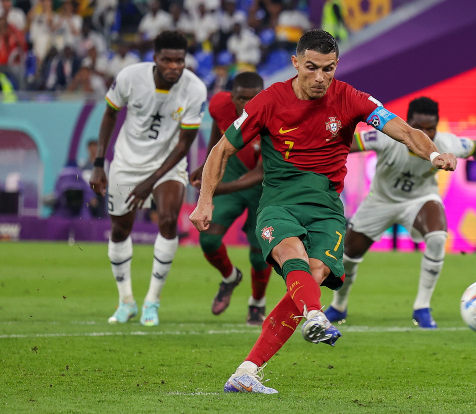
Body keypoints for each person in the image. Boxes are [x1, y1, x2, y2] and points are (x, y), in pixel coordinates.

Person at [189, 29, 456, 394]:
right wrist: (206, 200)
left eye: (327, 69)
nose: (319, 78)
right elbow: (221, 150)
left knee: (311, 276)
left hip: (327, 207)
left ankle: (246, 371)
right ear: (296, 63)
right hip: (280, 201)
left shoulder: (350, 98)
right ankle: (315, 315)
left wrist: (434, 154)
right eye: (311, 68)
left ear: (336, 66)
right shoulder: (269, 101)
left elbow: (405, 131)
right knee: (291, 254)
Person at [324, 96, 476, 328]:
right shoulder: (387, 137)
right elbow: (347, 144)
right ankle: (338, 306)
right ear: (407, 124)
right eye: (419, 128)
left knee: (437, 238)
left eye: (431, 129)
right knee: (348, 257)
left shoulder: (447, 144)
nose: (426, 134)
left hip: (420, 199)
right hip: (380, 201)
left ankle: (422, 307)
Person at [89, 30, 207, 327]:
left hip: (168, 164)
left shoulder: (195, 89)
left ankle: (152, 302)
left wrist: (151, 181)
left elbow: (184, 144)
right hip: (127, 163)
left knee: (168, 220)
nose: (174, 67)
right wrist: (99, 164)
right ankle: (126, 301)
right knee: (120, 230)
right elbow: (109, 115)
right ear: (155, 59)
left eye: (179, 60)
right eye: (167, 60)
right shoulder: (130, 77)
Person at [188, 71, 272, 326]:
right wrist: (205, 166)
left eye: (252, 98)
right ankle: (229, 276)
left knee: (260, 253)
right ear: (232, 96)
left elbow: (261, 171)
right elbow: (219, 130)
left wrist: (220, 189)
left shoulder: (274, 118)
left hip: (264, 186)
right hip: (232, 168)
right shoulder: (219, 104)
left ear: (262, 96)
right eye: (240, 98)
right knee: (209, 237)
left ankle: (257, 304)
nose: (245, 104)